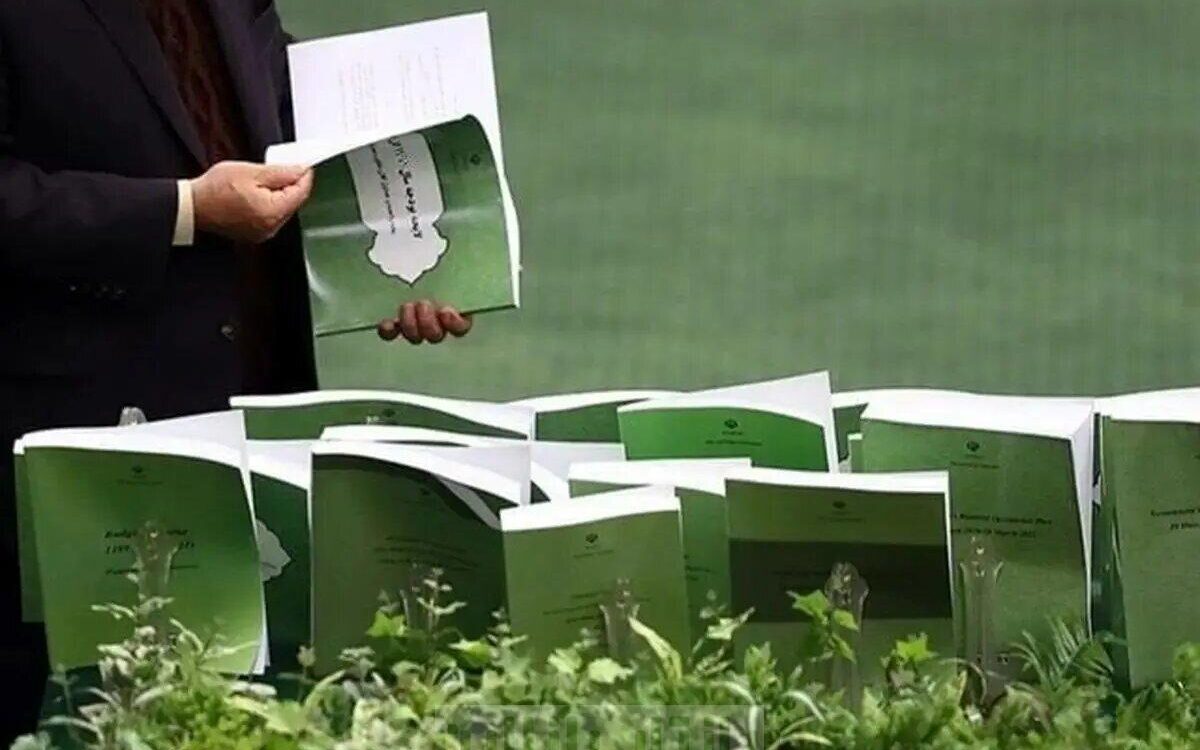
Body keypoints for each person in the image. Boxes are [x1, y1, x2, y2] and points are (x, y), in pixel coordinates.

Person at [0, 0, 471, 739]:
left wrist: (399, 256)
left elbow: (289, 118)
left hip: (260, 425)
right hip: (83, 447)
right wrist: (183, 209)